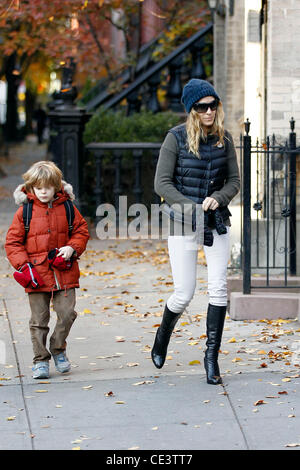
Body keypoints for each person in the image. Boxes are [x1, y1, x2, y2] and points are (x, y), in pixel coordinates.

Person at [151, 78, 240, 385]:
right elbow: (161, 184)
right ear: (191, 110)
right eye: (202, 107)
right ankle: (163, 334)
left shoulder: (224, 139)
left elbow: (234, 182)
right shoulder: (175, 138)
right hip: (183, 224)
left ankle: (211, 358)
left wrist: (220, 198)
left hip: (215, 222)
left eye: (213, 105)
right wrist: (191, 207)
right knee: (184, 292)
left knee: (217, 288)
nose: (209, 111)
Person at [5, 161, 89, 379]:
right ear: (31, 188)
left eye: (48, 187)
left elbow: (81, 231)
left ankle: (58, 348)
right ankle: (40, 360)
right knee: (39, 320)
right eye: (38, 187)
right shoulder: (25, 212)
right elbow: (13, 243)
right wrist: (24, 265)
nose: (43, 191)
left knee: (67, 314)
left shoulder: (68, 208)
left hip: (64, 271)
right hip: (36, 274)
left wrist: (72, 247)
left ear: (56, 187)